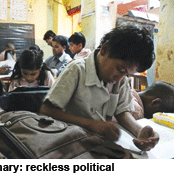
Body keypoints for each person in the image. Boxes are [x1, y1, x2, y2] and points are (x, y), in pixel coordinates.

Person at [40, 24, 159, 152]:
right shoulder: (76, 70)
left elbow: (122, 112)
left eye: (127, 74)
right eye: (120, 69)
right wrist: (91, 124)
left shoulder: (120, 80)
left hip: (97, 144)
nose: (120, 78)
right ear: (105, 49)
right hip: (69, 144)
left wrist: (139, 131)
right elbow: (47, 110)